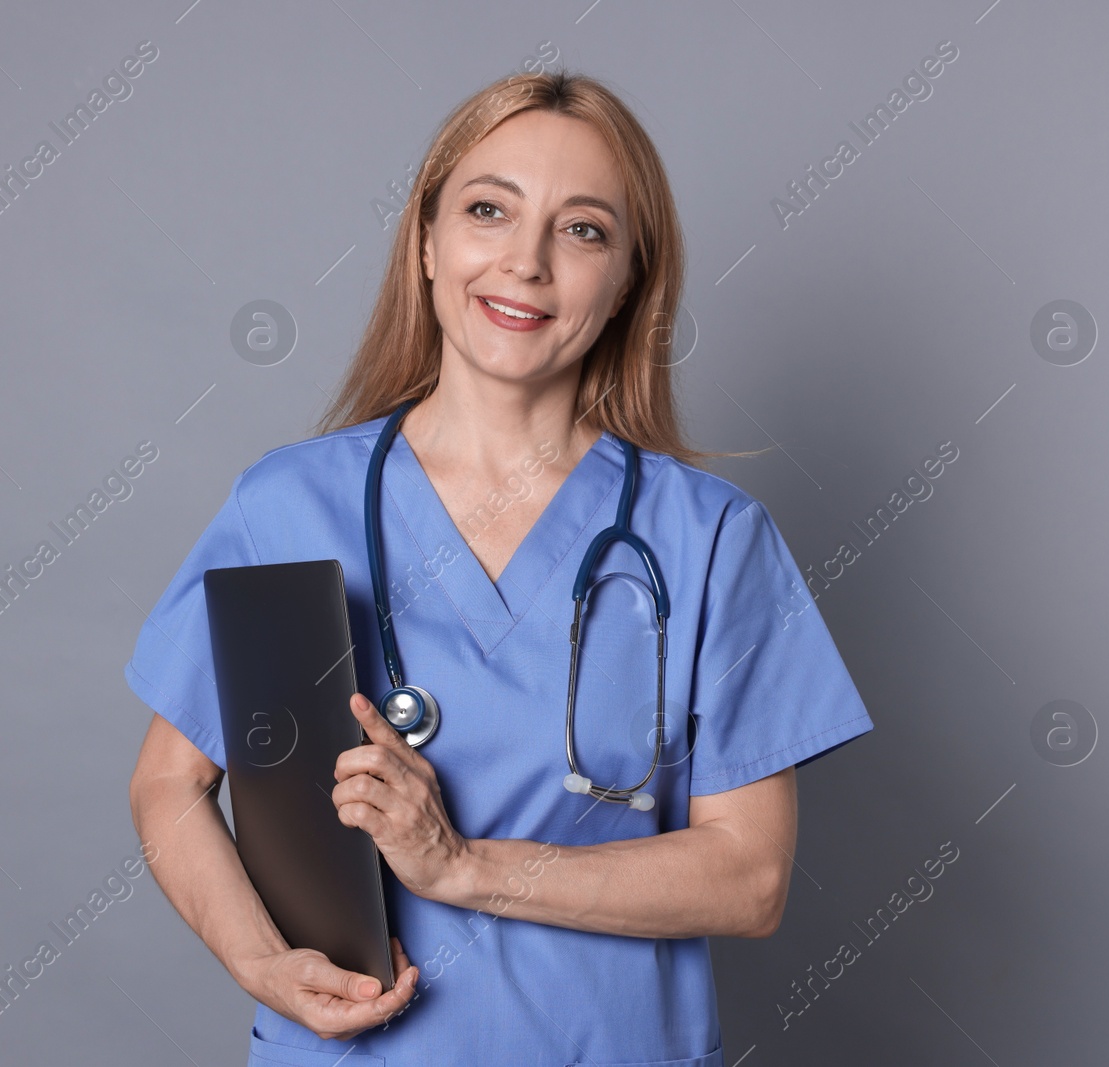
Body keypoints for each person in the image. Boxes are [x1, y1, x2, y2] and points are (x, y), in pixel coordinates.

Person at [125, 69, 873, 1066]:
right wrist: (259, 961)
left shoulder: (711, 538)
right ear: (427, 242)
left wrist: (464, 866)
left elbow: (748, 878)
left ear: (626, 284)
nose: (525, 263)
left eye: (582, 230)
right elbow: (167, 787)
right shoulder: (287, 505)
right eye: (488, 211)